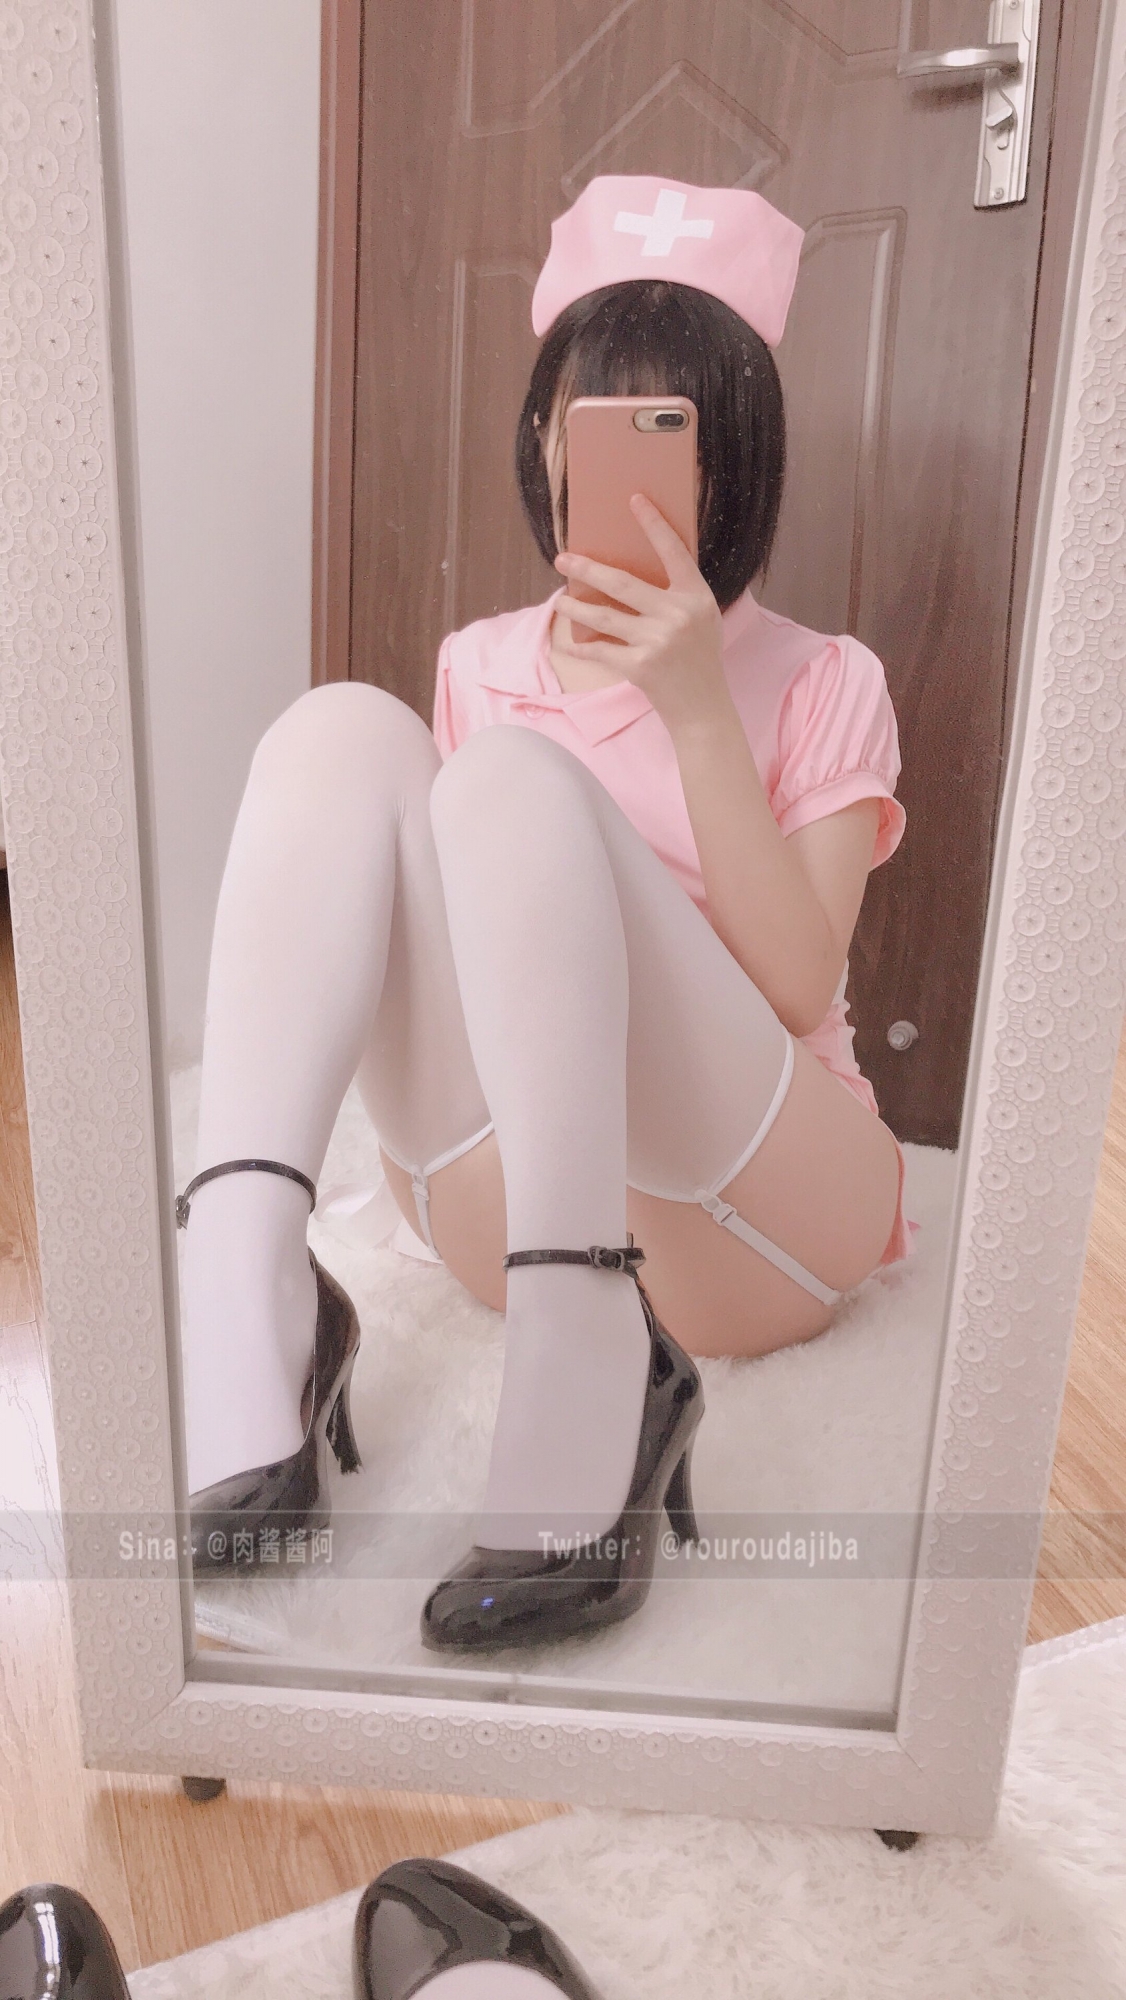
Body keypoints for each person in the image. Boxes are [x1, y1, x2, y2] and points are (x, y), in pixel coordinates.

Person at [179, 175, 914, 1648]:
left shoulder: (826, 679)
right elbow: (472, 989)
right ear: (544, 446)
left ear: (738, 456)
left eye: (675, 429)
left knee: (513, 784)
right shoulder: (481, 660)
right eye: (597, 424)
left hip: (760, 1219)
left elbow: (793, 983)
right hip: (513, 1201)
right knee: (338, 727)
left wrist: (694, 706)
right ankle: (249, 1283)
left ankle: (600, 1371)